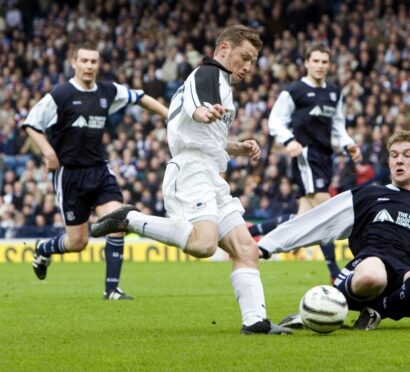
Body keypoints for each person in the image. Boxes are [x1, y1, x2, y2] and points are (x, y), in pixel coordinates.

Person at [91, 25, 291, 334]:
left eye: (254, 61)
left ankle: (256, 322)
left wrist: (236, 146)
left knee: (246, 249)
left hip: (210, 171)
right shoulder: (206, 74)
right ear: (224, 49)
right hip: (190, 170)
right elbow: (197, 109)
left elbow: (204, 132)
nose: (249, 67)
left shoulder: (223, 85)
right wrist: (204, 111)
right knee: (204, 244)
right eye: (245, 58)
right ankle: (129, 219)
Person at [258, 130, 410, 330]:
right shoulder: (368, 195)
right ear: (388, 161)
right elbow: (317, 221)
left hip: (403, 284)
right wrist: (267, 246)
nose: (400, 160)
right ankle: (315, 310)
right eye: (395, 155)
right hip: (366, 271)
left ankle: (376, 312)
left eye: (408, 155)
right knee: (374, 275)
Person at [23, 43, 169, 300]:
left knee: (118, 220)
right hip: (70, 175)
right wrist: (47, 152)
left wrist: (169, 115)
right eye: (85, 61)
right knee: (78, 243)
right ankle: (44, 248)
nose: (90, 66)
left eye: (94, 61)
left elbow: (140, 97)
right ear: (74, 63)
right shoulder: (60, 95)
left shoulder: (107, 91)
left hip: (99, 170)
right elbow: (32, 124)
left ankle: (111, 290)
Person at [254, 44, 361, 282]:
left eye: (325, 61)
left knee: (303, 219)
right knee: (327, 212)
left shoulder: (334, 93)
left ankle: (250, 233)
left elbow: (338, 125)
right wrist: (289, 140)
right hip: (306, 155)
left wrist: (348, 144)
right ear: (307, 63)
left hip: (326, 157)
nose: (320, 65)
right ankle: (337, 273)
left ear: (329, 65)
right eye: (316, 61)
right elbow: (276, 121)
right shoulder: (294, 91)